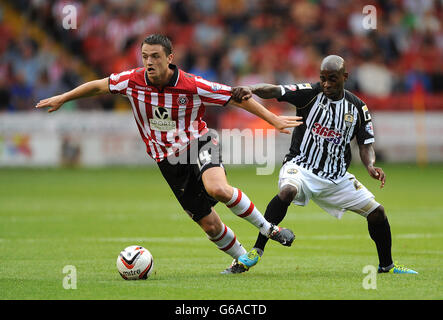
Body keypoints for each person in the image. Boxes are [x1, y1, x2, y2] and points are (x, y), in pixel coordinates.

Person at [35, 34, 302, 274]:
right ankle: (242, 259)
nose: (149, 62)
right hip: (168, 161)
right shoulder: (131, 81)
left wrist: (272, 119)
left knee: (218, 188)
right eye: (145, 56)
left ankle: (268, 228)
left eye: (155, 56)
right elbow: (97, 86)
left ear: (169, 58)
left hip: (199, 143)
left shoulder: (191, 84)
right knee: (210, 226)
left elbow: (235, 97)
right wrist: (63, 97)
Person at [231, 55, 418, 274]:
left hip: (336, 177)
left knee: (377, 213)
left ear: (345, 77)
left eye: (332, 79)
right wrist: (251, 88)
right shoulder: (310, 94)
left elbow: (366, 144)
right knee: (288, 191)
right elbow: (275, 90)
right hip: (301, 166)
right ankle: (256, 251)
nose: (327, 84)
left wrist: (370, 166)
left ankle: (387, 266)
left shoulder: (358, 108)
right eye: (323, 78)